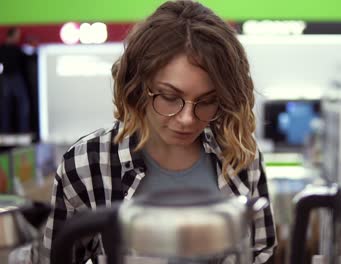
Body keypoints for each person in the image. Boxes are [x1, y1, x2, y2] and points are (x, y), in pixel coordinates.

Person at [32, 0, 277, 263]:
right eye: (170, 97)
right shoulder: (87, 163)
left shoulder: (240, 157)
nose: (187, 119)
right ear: (138, 86)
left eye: (206, 101)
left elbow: (261, 253)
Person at [0, 27, 31, 133]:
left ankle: (22, 130)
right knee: (7, 105)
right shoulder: (6, 49)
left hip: (12, 77)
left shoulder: (17, 49)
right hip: (9, 78)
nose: (18, 38)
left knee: (17, 104)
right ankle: (6, 130)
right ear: (12, 35)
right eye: (17, 35)